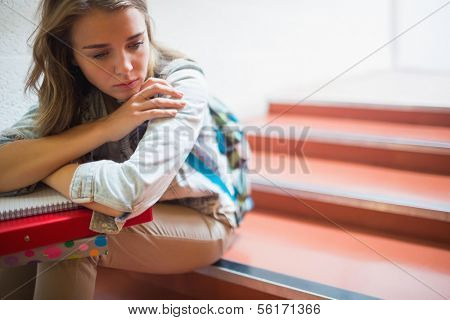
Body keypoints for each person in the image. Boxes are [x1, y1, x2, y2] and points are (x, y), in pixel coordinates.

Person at [0, 0, 250, 299]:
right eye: (100, 54)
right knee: (21, 235)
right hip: (131, 215)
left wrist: (45, 165)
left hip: (204, 219)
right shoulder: (71, 91)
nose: (126, 67)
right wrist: (106, 127)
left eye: (136, 44)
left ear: (148, 32)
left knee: (67, 242)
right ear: (69, 55)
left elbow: (123, 196)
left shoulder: (178, 82)